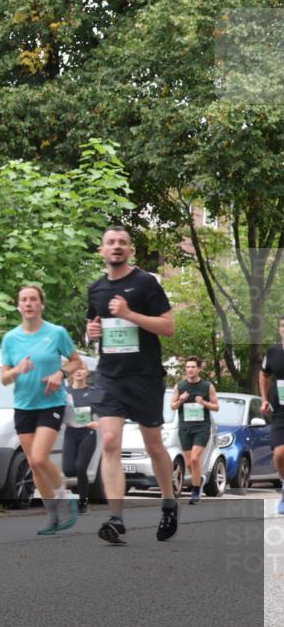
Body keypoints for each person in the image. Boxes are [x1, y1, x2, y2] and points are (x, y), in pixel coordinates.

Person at [86, 225, 177, 545]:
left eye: (122, 242)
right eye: (110, 242)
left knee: (153, 445)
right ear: (102, 250)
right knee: (110, 441)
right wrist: (92, 334)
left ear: (130, 250)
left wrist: (130, 313)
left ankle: (168, 502)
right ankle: (116, 518)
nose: (116, 247)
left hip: (144, 376)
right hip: (110, 376)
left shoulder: (145, 283)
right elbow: (94, 325)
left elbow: (168, 327)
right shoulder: (96, 289)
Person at [1, 284, 86, 535]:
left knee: (39, 457)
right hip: (23, 406)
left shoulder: (56, 333)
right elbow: (4, 378)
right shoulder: (10, 339)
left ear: (41, 305)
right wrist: (18, 370)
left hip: (51, 403)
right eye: (23, 300)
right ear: (18, 306)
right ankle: (52, 517)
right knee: (34, 464)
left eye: (33, 299)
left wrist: (60, 374)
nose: (28, 303)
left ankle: (64, 496)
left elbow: (76, 361)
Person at [170, 356, 219, 505]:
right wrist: (181, 400)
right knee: (190, 464)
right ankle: (199, 479)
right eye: (188, 367)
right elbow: (172, 406)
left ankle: (195, 492)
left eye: (193, 367)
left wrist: (203, 402)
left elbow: (216, 407)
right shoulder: (179, 386)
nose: (190, 369)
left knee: (194, 459)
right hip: (185, 428)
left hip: (201, 428)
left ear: (199, 369)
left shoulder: (207, 386)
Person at [63, 366, 99, 514]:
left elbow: (106, 411)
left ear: (86, 372)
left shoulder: (92, 392)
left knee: (79, 466)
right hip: (70, 432)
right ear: (70, 372)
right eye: (75, 369)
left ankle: (83, 501)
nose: (78, 371)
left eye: (82, 369)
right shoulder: (65, 392)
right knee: (68, 469)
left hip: (87, 433)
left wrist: (99, 423)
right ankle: (73, 494)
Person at [259, 314, 284, 515]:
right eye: (283, 326)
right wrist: (264, 398)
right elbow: (264, 374)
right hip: (280, 411)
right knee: (279, 454)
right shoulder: (273, 352)